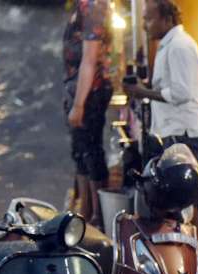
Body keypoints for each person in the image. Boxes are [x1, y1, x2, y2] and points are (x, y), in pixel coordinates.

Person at [123, 0, 198, 167]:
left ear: (167, 20)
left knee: (177, 190)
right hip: (176, 131)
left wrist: (143, 92)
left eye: (149, 19)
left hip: (183, 132)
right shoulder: (170, 44)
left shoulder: (179, 46)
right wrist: (143, 87)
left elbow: (182, 93)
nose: (144, 26)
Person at [63, 0, 112, 229]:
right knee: (80, 150)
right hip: (77, 89)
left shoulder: (94, 7)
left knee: (91, 150)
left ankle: (97, 216)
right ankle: (85, 209)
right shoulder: (81, 6)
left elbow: (89, 61)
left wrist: (79, 105)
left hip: (91, 91)